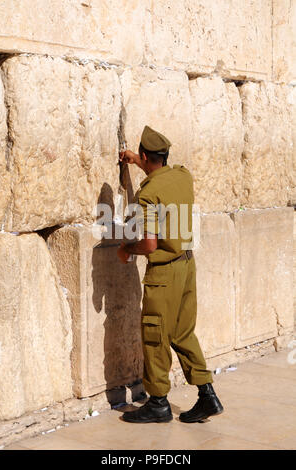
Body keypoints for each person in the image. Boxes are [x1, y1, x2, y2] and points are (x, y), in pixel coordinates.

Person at [117, 125, 223, 423]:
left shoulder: (148, 194)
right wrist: (137, 162)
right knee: (182, 333)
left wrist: (127, 249)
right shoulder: (182, 175)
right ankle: (207, 395)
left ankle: (159, 403)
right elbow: (160, 174)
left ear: (145, 154)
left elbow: (150, 244)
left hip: (163, 273)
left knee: (155, 336)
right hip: (187, 266)